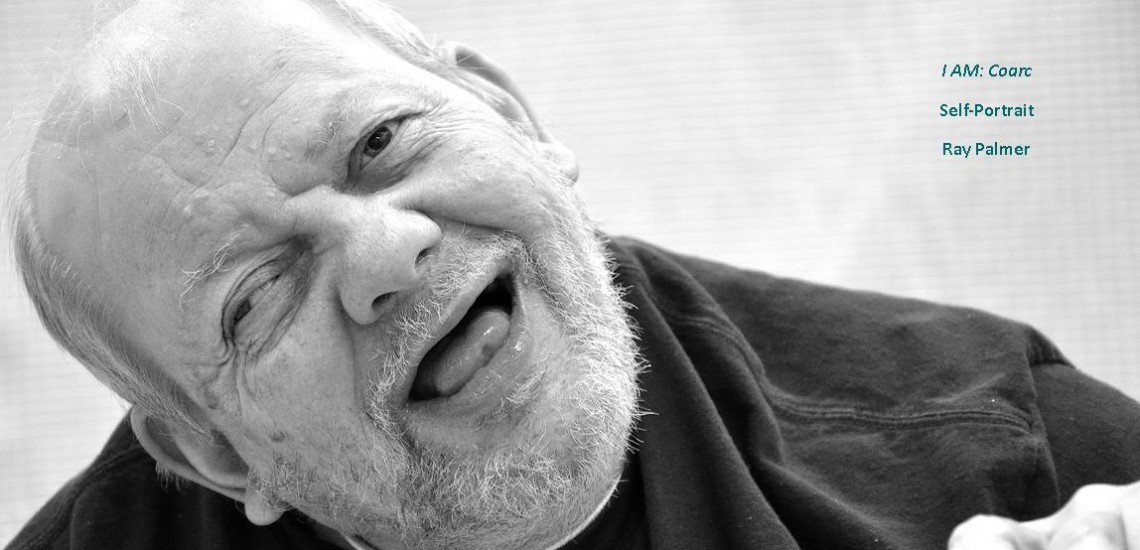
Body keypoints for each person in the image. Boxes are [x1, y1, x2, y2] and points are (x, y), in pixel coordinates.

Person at [6, 1, 1140, 549]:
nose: (386, 253)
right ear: (215, 453)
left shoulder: (1013, 463)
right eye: (255, 296)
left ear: (512, 116)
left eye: (383, 144)